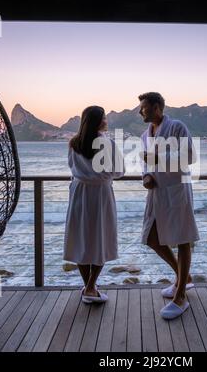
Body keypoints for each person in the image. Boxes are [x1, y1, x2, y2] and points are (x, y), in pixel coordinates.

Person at [139, 92, 199, 319]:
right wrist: (145, 176)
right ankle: (183, 277)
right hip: (156, 193)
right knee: (152, 238)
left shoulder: (177, 127)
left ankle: (181, 295)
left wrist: (158, 158)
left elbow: (190, 155)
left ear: (156, 107)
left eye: (143, 107)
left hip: (177, 190)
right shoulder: (145, 135)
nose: (140, 111)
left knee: (183, 239)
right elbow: (145, 162)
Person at [64, 106, 124, 303]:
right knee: (101, 238)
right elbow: (120, 171)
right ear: (99, 121)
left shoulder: (73, 143)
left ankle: (88, 286)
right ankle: (91, 287)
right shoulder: (109, 144)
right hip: (100, 194)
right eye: (104, 117)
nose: (107, 120)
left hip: (79, 192)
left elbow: (71, 166)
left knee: (82, 238)